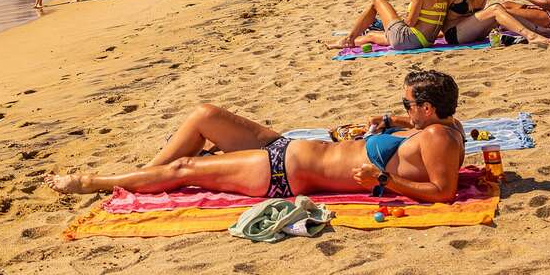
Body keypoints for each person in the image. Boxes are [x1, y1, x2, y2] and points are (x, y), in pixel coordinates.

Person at [47, 70, 465, 204]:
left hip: (284, 173)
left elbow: (443, 192)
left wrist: (385, 181)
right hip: (285, 148)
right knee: (205, 115)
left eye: (408, 103)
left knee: (185, 168)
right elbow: (414, 130)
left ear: (429, 109)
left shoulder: (439, 140)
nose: (404, 108)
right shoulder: (443, 126)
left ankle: (94, 183)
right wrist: (389, 118)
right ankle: (143, 175)